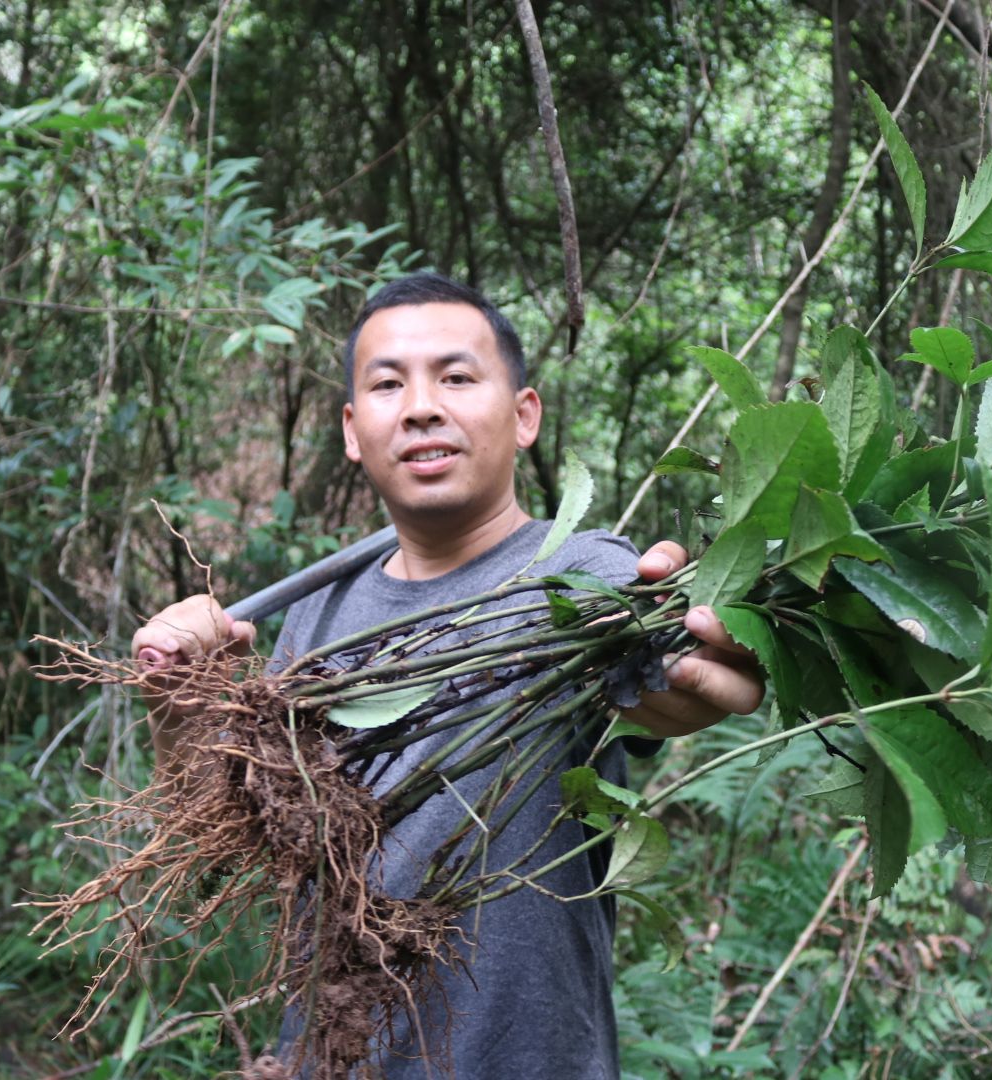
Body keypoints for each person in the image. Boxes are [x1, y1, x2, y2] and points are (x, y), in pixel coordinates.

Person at [131, 272, 764, 1077]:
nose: (422, 405)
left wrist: (693, 659)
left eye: (457, 377)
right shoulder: (318, 614)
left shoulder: (585, 575)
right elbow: (224, 839)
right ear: (355, 432)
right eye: (389, 384)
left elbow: (664, 683)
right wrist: (179, 703)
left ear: (523, 414)